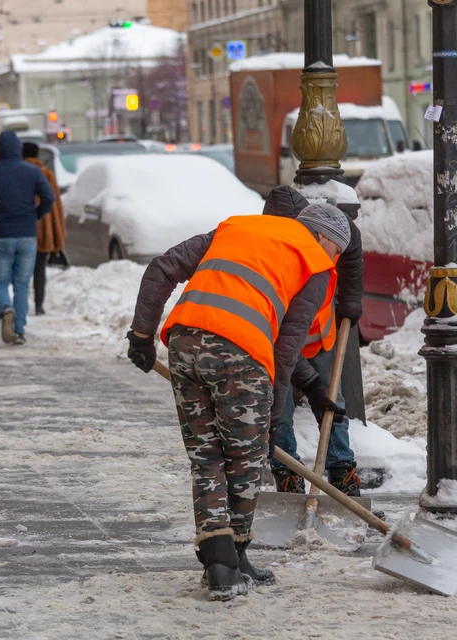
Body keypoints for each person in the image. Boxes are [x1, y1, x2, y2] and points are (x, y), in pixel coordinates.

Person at [127, 203, 348, 601]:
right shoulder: (314, 262)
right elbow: (285, 347)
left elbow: (161, 268)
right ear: (323, 239)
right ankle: (232, 561)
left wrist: (141, 336)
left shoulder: (237, 229)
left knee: (206, 456)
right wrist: (270, 421)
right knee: (245, 459)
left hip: (185, 342)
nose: (334, 261)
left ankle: (222, 561)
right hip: (240, 355)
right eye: (337, 252)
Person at [261, 186, 364, 496]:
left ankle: (342, 473)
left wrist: (351, 298)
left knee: (333, 405)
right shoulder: (266, 250)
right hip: (277, 343)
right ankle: (288, 475)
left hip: (319, 336)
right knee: (280, 408)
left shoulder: (327, 229)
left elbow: (353, 242)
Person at [0, 131, 55, 345]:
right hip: (27, 234)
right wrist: (35, 215)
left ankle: (6, 307)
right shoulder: (32, 171)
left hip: (1, 234)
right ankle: (20, 330)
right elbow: (49, 198)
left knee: (0, 282)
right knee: (23, 285)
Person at [21, 141, 66, 316]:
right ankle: (39, 305)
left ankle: (21, 305)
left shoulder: (20, 173)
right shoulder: (47, 174)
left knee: (21, 271)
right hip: (44, 229)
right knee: (40, 269)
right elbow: (56, 205)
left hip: (24, 227)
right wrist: (58, 231)